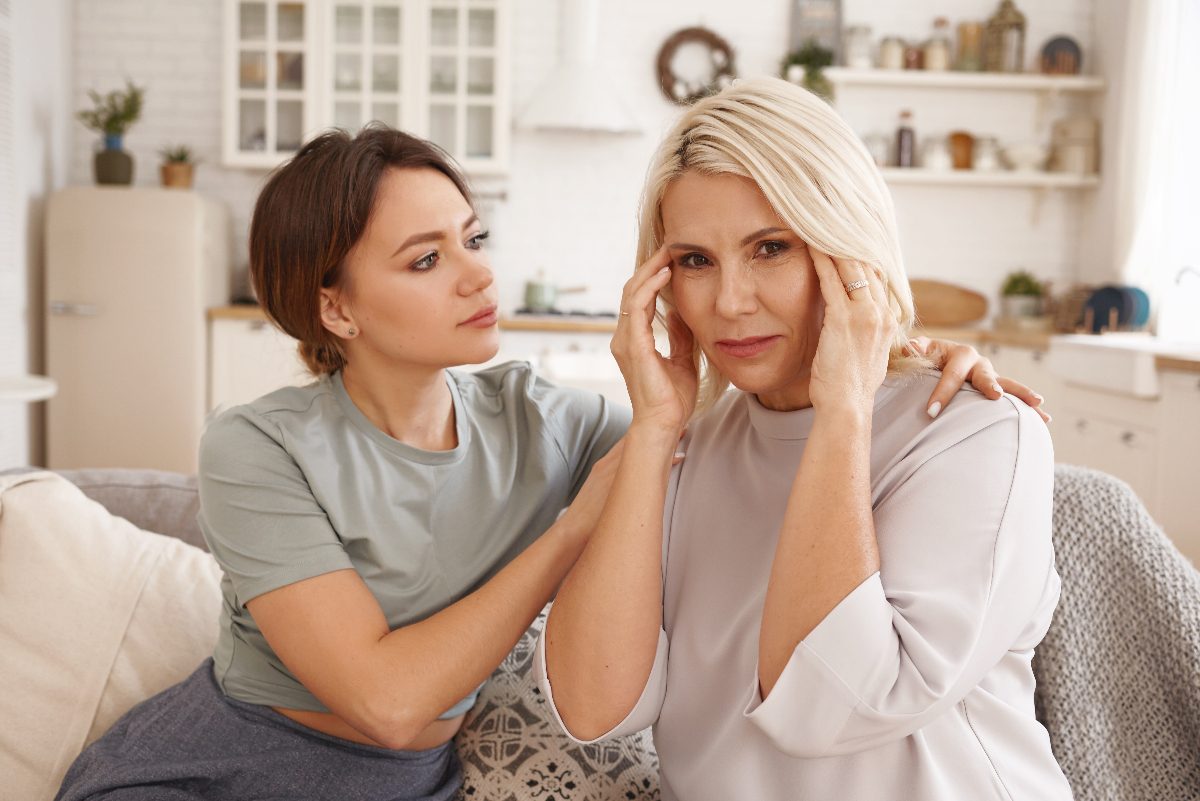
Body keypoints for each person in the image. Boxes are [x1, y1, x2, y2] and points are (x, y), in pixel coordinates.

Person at [56, 124, 1045, 800]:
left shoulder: (547, 419)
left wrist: (900, 361)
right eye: (425, 258)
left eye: (473, 238)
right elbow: (392, 705)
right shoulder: (256, 442)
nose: (481, 272)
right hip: (242, 756)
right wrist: (573, 528)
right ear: (336, 308)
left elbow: (716, 449)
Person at [537, 77, 1073, 801]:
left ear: (848, 248)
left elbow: (829, 706)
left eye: (771, 247)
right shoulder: (684, 451)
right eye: (695, 260)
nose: (730, 301)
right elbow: (593, 706)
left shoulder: (978, 434)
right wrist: (658, 428)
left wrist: (845, 408)